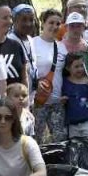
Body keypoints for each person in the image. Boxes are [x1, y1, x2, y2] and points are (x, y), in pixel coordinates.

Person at [30, 10, 66, 140]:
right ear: (43, 23)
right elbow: (27, 70)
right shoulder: (32, 44)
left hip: (57, 103)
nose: (55, 26)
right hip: (37, 103)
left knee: (60, 140)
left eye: (58, 23)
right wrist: (35, 84)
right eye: (51, 22)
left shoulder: (62, 47)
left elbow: (66, 73)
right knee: (35, 140)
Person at [52, 53, 88, 139]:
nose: (80, 69)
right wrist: (62, 100)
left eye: (82, 66)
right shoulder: (65, 82)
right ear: (68, 68)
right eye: (76, 67)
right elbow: (61, 96)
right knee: (75, 148)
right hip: (72, 125)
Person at [0, 3, 29, 89]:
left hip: (17, 101)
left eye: (10, 17)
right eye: (5, 18)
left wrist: (26, 98)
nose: (10, 22)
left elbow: (24, 78)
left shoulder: (16, 46)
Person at [9, 4, 39, 94]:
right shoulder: (10, 41)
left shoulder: (30, 39)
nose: (28, 24)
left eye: (31, 20)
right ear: (14, 20)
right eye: (24, 20)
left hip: (31, 97)